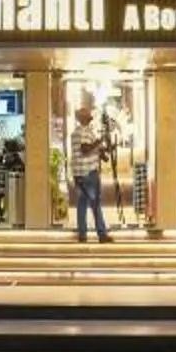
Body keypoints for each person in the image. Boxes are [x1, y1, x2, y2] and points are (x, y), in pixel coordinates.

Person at [68, 97, 112, 243]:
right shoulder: (81, 132)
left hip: (81, 173)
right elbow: (85, 149)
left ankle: (83, 234)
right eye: (86, 113)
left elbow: (93, 148)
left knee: (82, 203)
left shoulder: (86, 131)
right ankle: (102, 234)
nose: (89, 115)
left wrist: (103, 150)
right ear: (82, 118)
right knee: (95, 203)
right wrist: (100, 141)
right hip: (87, 173)